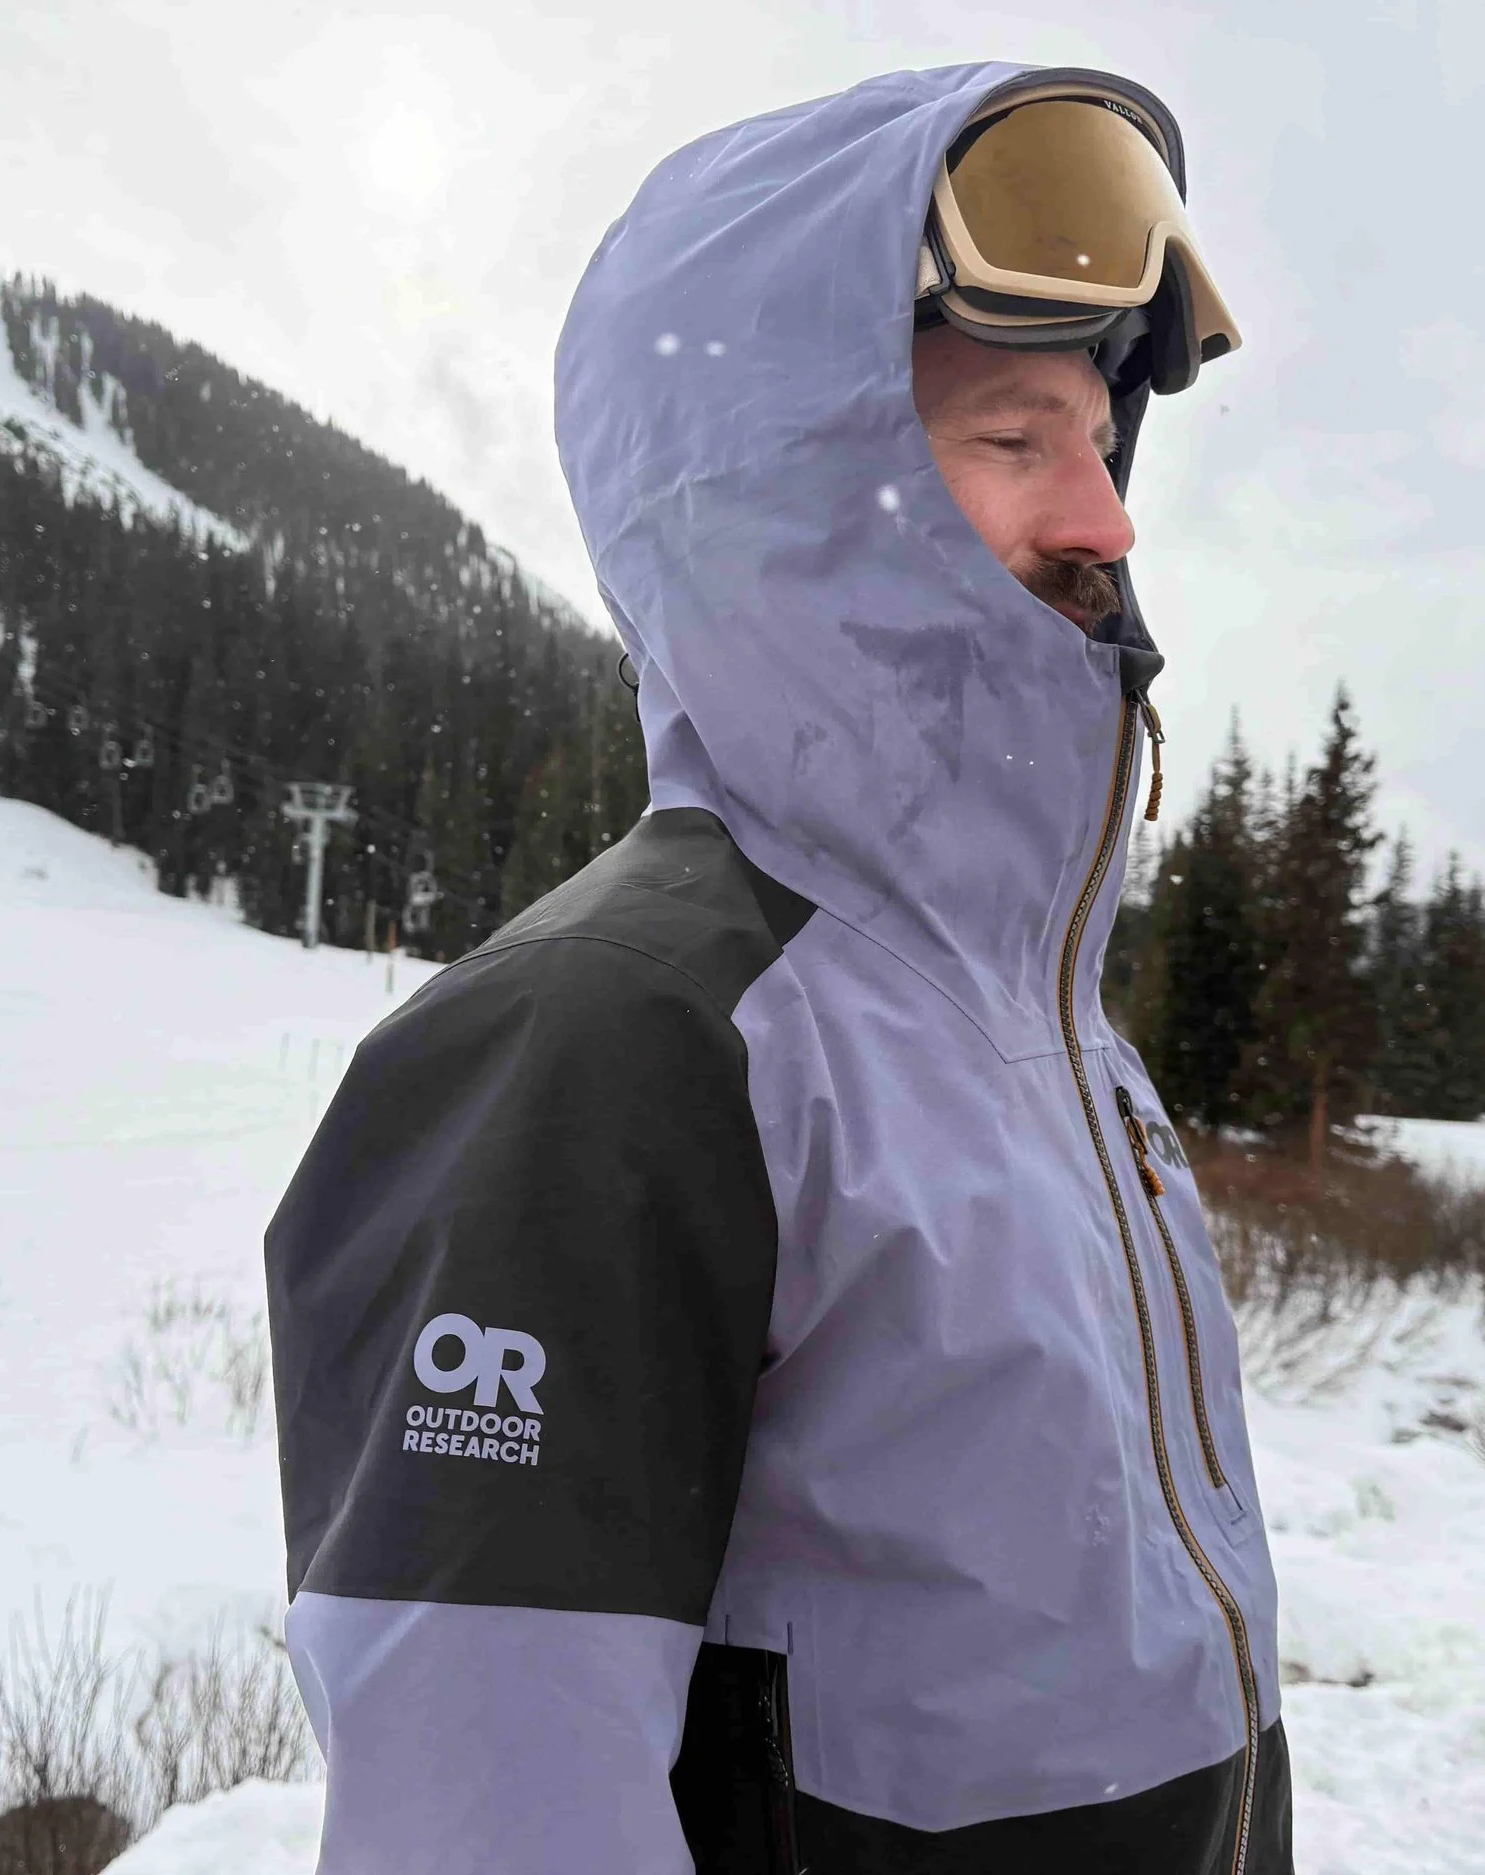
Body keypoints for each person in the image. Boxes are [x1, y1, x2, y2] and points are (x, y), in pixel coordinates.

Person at [266, 63, 1289, 1874]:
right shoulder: (618, 1039)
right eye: (1006, 439)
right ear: (794, 493)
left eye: (1097, 441)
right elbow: (483, 1815)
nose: (1108, 519)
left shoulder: (1034, 1025)